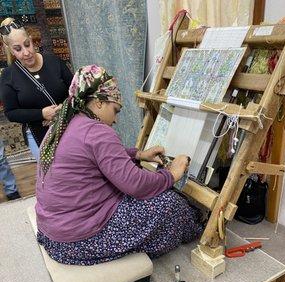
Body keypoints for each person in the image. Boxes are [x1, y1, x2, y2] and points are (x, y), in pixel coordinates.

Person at [36, 65, 204, 265]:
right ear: (99, 103)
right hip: (77, 240)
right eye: (115, 110)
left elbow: (95, 158)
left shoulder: (63, 123)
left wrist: (138, 154)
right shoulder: (97, 131)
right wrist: (172, 174)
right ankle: (197, 228)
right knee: (170, 204)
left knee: (138, 193)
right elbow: (137, 186)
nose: (115, 119)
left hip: (52, 232)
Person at [0, 18, 73, 160]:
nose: (26, 52)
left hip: (68, 127)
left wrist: (62, 110)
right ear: (10, 50)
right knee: (54, 178)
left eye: (27, 44)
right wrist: (42, 114)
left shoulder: (53, 61)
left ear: (32, 40)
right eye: (18, 49)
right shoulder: (8, 76)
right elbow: (11, 112)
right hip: (38, 135)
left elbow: (74, 91)